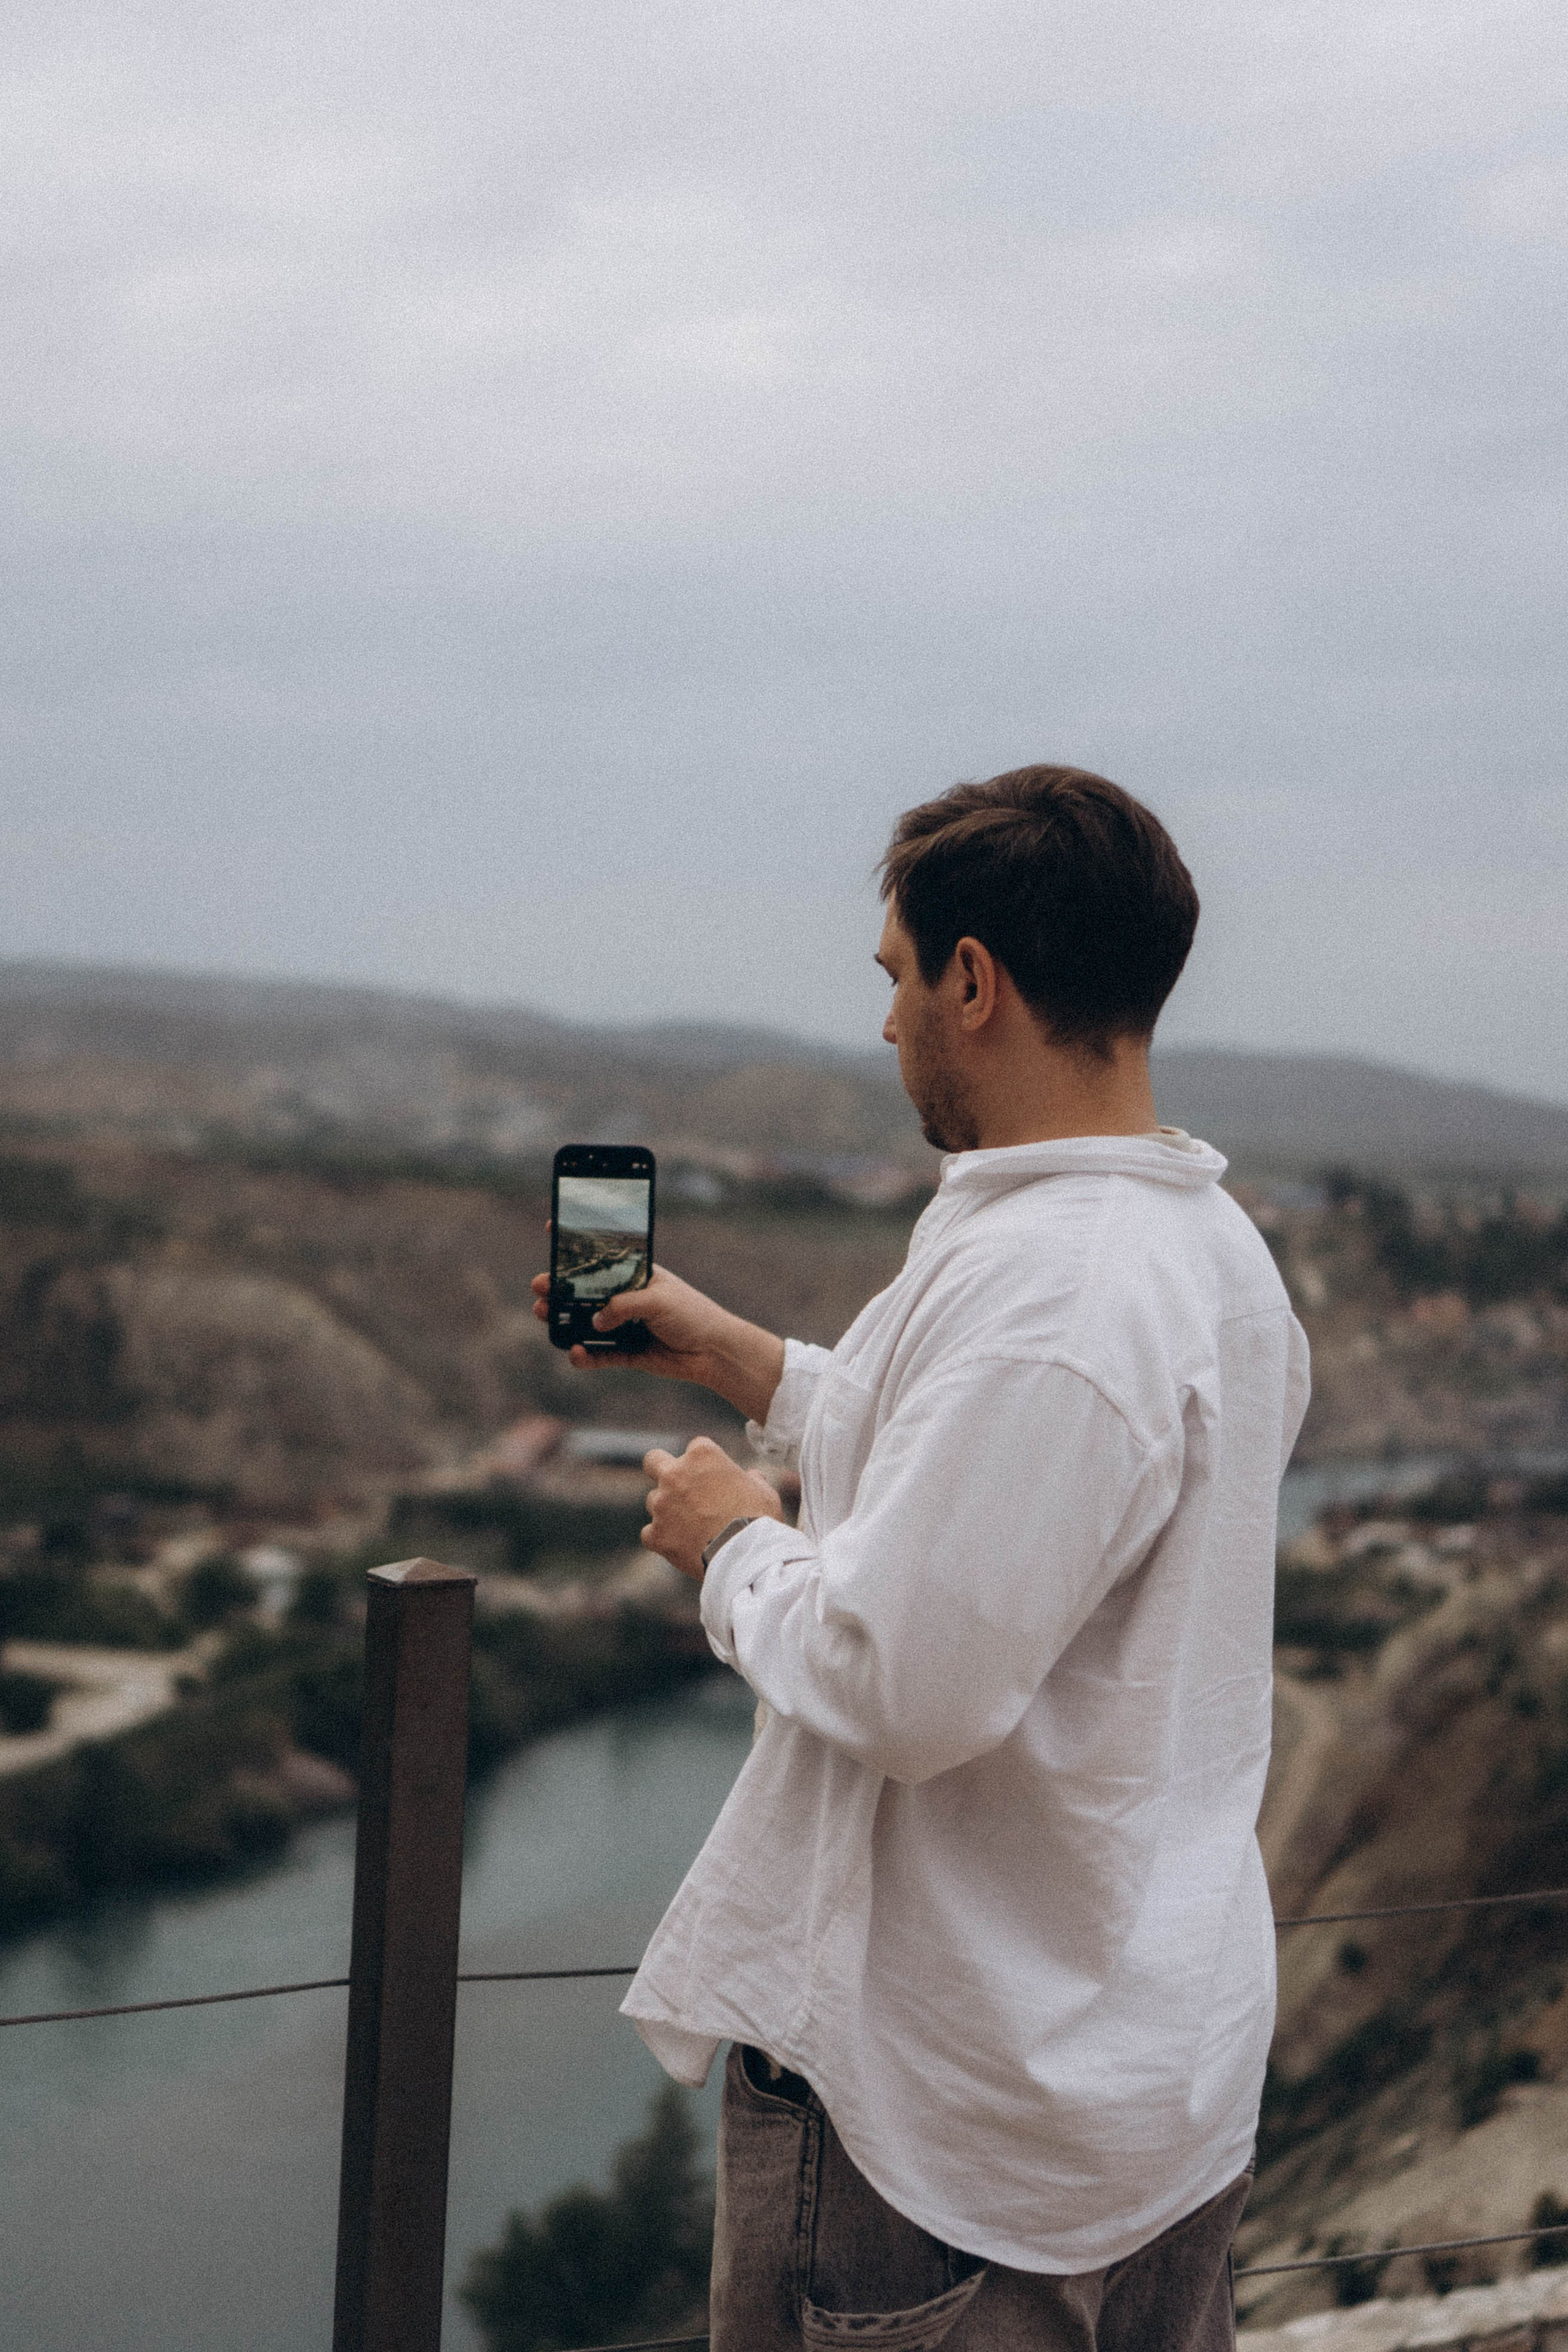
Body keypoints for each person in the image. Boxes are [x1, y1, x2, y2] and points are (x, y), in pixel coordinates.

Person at [532, 764, 1309, 2352]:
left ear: (974, 982)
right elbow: (1028, 1491)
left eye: (895, 978)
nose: (886, 1025)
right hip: (1145, 2086)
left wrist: (733, 1547)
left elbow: (907, 1683)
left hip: (959, 2142)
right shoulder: (1200, 1246)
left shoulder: (1056, 1290)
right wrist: (744, 1359)